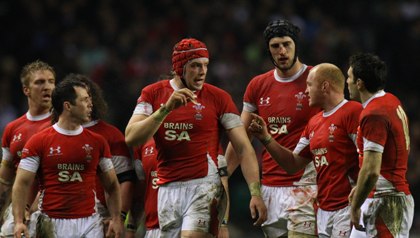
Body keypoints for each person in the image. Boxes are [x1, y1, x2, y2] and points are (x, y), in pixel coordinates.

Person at [125, 37, 266, 237]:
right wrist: (165, 110)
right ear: (179, 67)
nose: (202, 71)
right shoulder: (153, 94)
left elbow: (243, 148)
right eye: (195, 66)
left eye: (205, 65)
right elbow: (131, 137)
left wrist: (255, 192)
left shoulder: (219, 98)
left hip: (204, 184)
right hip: (167, 189)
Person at [224, 19, 320, 237]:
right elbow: (241, 138)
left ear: (296, 45)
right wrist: (221, 177)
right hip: (270, 189)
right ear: (268, 50)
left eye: (287, 44)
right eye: (275, 46)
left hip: (307, 185)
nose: (282, 51)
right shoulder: (258, 85)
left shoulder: (316, 78)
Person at [247, 63, 362, 237]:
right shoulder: (314, 123)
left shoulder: (353, 112)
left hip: (348, 208)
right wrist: (266, 138)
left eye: (309, 85)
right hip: (323, 210)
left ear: (324, 86)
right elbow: (293, 164)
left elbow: (370, 157)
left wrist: (364, 196)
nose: (306, 91)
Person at [11, 76, 123, 238]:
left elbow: (112, 185)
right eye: (84, 100)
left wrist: (116, 219)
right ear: (68, 106)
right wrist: (19, 221)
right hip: (51, 223)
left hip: (90, 224)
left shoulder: (98, 142)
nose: (90, 104)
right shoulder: (38, 142)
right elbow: (21, 184)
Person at [347, 53, 414, 237]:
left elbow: (371, 170)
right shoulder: (390, 100)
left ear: (359, 83)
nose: (347, 82)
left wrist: (355, 206)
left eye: (349, 78)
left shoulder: (374, 114)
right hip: (378, 194)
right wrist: (361, 188)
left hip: (386, 201)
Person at [73, 74, 137, 236]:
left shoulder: (110, 135)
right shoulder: (49, 135)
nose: (85, 101)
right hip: (57, 215)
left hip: (97, 219)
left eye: (87, 97)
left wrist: (118, 217)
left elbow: (126, 179)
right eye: (78, 97)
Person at [0, 60, 56, 237]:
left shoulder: (62, 126)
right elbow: (6, 177)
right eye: (40, 82)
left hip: (54, 210)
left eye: (51, 81)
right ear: (26, 90)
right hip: (19, 212)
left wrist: (34, 205)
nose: (47, 87)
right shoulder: (12, 128)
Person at [131, 139, 230, 238]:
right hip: (155, 229)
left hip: (193, 226)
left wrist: (223, 224)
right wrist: (130, 226)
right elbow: (141, 190)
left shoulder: (202, 133)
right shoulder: (142, 138)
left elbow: (221, 182)